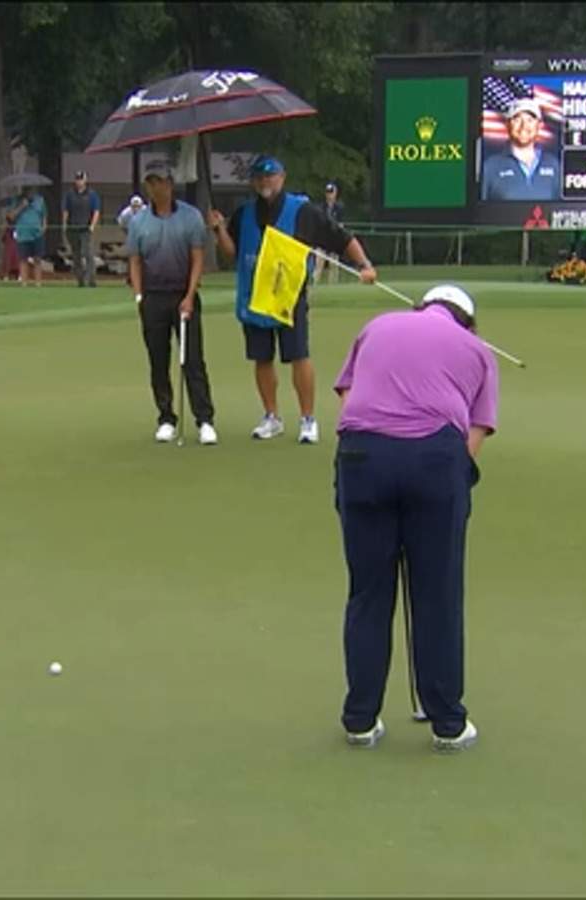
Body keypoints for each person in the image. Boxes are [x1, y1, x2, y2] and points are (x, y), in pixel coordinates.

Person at [331, 284, 497, 752]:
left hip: (362, 454)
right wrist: (441, 478)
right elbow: (477, 430)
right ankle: (448, 722)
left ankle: (360, 719)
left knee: (368, 591)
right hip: (435, 459)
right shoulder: (478, 349)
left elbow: (348, 394)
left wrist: (376, 451)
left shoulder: (377, 326)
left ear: (422, 307)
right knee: (437, 593)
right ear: (468, 320)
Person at [206, 155, 377, 446]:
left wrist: (364, 265)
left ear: (282, 177)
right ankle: (271, 416)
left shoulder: (302, 210)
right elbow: (231, 252)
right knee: (261, 358)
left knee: (298, 355)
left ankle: (307, 419)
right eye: (259, 177)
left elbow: (341, 238)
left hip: (289, 296)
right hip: (255, 296)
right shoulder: (245, 213)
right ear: (253, 182)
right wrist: (219, 228)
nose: (265, 182)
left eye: (270, 176)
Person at [126, 159, 216, 445]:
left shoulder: (190, 217)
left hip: (183, 295)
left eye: (161, 181)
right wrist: (139, 296)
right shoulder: (138, 221)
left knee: (192, 360)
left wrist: (190, 296)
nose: (156, 187)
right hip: (153, 297)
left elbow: (198, 258)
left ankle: (204, 420)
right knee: (158, 360)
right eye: (151, 182)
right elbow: (135, 261)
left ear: (170, 183)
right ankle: (166, 418)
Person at [479, 97, 560, 202]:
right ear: (508, 125)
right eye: (517, 119)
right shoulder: (490, 166)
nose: (524, 126)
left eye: (530, 120)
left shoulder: (553, 164)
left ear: (539, 125)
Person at [62, 170, 101, 288]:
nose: (79, 182)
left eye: (81, 179)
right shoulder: (70, 194)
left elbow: (96, 211)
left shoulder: (92, 194)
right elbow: (66, 210)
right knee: (76, 255)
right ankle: (80, 280)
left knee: (88, 253)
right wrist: (64, 225)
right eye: (77, 179)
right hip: (73, 228)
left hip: (85, 229)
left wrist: (92, 226)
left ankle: (91, 279)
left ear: (85, 180)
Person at [7, 186, 47, 288]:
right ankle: (24, 282)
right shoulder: (16, 201)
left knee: (37, 259)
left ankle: (38, 283)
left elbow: (44, 216)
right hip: (23, 234)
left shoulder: (40, 200)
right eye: (27, 190)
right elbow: (10, 217)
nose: (30, 193)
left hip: (37, 234)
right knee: (23, 259)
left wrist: (43, 228)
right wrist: (22, 206)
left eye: (31, 190)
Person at [314, 182, 346, 284]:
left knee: (334, 264)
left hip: (334, 239)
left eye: (331, 192)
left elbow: (341, 225)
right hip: (322, 239)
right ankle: (314, 283)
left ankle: (333, 285)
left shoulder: (339, 208)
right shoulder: (321, 207)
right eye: (328, 193)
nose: (329, 195)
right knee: (318, 264)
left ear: (335, 193)